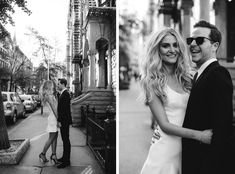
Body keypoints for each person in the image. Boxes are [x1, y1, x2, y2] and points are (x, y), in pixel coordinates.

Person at [139, 28, 213, 174]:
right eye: (165, 46)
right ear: (157, 50)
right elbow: (165, 125)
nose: (172, 50)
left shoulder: (189, 77)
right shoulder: (151, 82)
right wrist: (200, 135)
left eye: (175, 45)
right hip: (165, 151)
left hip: (188, 149)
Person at [182, 20, 235, 174]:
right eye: (190, 40)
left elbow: (222, 130)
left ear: (215, 46)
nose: (192, 44)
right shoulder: (200, 74)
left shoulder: (218, 74)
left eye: (199, 40)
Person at [39, 80, 59, 164]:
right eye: (51, 88)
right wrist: (59, 120)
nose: (53, 89)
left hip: (53, 117)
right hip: (53, 118)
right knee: (51, 138)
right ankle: (42, 154)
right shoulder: (48, 96)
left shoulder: (50, 95)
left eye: (53, 88)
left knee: (55, 137)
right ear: (47, 88)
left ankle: (54, 155)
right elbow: (54, 109)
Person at [56, 78, 72, 168]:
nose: (57, 85)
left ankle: (66, 161)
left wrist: (59, 121)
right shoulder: (63, 93)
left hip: (64, 121)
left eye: (58, 84)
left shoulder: (65, 94)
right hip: (64, 121)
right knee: (64, 140)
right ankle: (64, 157)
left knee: (66, 140)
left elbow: (64, 110)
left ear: (63, 84)